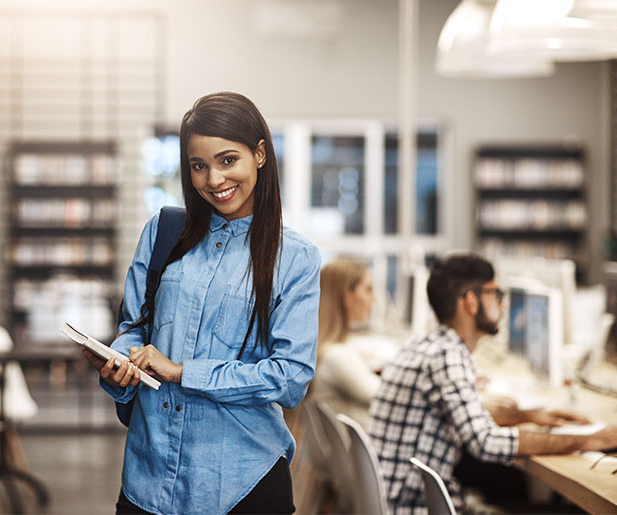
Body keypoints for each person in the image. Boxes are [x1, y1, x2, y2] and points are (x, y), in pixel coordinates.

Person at [82, 92, 320, 515]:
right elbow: (135, 326)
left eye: (228, 160)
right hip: (148, 478)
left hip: (243, 485)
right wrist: (119, 363)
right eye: (198, 165)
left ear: (260, 155)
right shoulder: (164, 232)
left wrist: (183, 372)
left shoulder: (294, 258)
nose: (213, 180)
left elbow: (292, 377)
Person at [368, 252, 617, 514]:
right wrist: (591, 440)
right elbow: (484, 442)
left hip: (396, 500)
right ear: (472, 301)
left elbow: (461, 415)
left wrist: (527, 415)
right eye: (496, 294)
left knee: (515, 487)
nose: (503, 305)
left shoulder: (426, 344)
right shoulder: (447, 355)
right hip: (413, 507)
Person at [310, 256, 381, 428]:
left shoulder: (322, 349)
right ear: (347, 297)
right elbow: (390, 397)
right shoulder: (337, 356)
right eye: (368, 289)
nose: (374, 299)